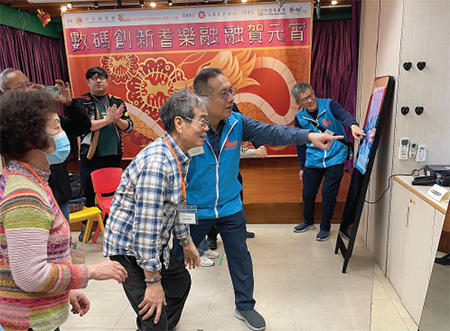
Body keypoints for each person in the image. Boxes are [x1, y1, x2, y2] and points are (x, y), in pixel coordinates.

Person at [173, 68, 342, 331]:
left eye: (232, 91)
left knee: (240, 257)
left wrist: (309, 136)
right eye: (224, 93)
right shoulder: (186, 128)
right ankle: (166, 309)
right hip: (195, 210)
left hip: (230, 207)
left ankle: (245, 306)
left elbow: (273, 133)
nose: (231, 97)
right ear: (203, 98)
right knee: (174, 262)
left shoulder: (237, 122)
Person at [0, 90, 128, 331]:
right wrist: (91, 271)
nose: (63, 134)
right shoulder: (25, 194)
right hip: (29, 323)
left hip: (39, 315)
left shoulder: (34, 179)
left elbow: (33, 256)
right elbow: (29, 275)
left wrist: (65, 291)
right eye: (56, 125)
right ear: (31, 138)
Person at [103, 89, 205, 331]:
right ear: (179, 123)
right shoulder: (158, 164)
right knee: (153, 312)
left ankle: (160, 325)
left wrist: (186, 241)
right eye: (202, 121)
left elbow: (177, 203)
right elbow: (146, 230)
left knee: (180, 283)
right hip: (130, 249)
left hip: (151, 245)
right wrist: (152, 281)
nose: (206, 127)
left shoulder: (178, 156)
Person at [0, 68, 91, 222]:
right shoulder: (7, 123)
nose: (27, 89)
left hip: (57, 190)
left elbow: (80, 128)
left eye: (28, 84)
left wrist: (70, 104)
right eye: (20, 87)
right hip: (28, 189)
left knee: (60, 239)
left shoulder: (43, 114)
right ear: (4, 92)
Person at [291, 82, 365, 241]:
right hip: (313, 159)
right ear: (298, 103)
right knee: (308, 192)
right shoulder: (299, 118)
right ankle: (308, 221)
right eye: (305, 99)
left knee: (328, 193)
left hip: (335, 156)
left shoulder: (329, 105)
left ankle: (325, 227)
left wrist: (353, 125)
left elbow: (344, 115)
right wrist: (302, 167)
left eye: (311, 96)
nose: (310, 101)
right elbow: (300, 143)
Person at [73, 66, 134, 241]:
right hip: (90, 156)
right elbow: (84, 126)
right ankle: (87, 226)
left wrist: (116, 120)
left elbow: (129, 126)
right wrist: (106, 120)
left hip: (113, 154)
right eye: (94, 78)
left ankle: (109, 223)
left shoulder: (116, 101)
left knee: (113, 192)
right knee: (88, 190)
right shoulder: (81, 102)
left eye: (101, 78)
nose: (98, 81)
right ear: (88, 82)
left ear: (107, 81)